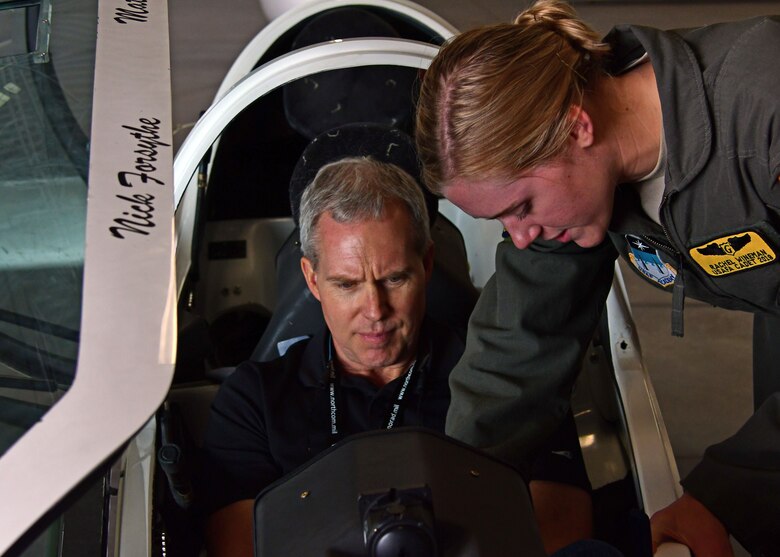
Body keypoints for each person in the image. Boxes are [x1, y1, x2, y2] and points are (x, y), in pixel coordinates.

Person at [415, 2, 780, 556]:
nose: (519, 236)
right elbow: (518, 343)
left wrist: (725, 493)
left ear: (576, 126)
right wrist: (456, 495)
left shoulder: (764, 110)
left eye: (522, 206)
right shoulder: (580, 180)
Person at [199, 155, 620, 557]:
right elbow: (240, 546)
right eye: (347, 284)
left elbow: (563, 536)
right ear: (312, 279)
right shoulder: (253, 401)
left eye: (394, 278)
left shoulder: (511, 376)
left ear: (428, 264)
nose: (375, 310)